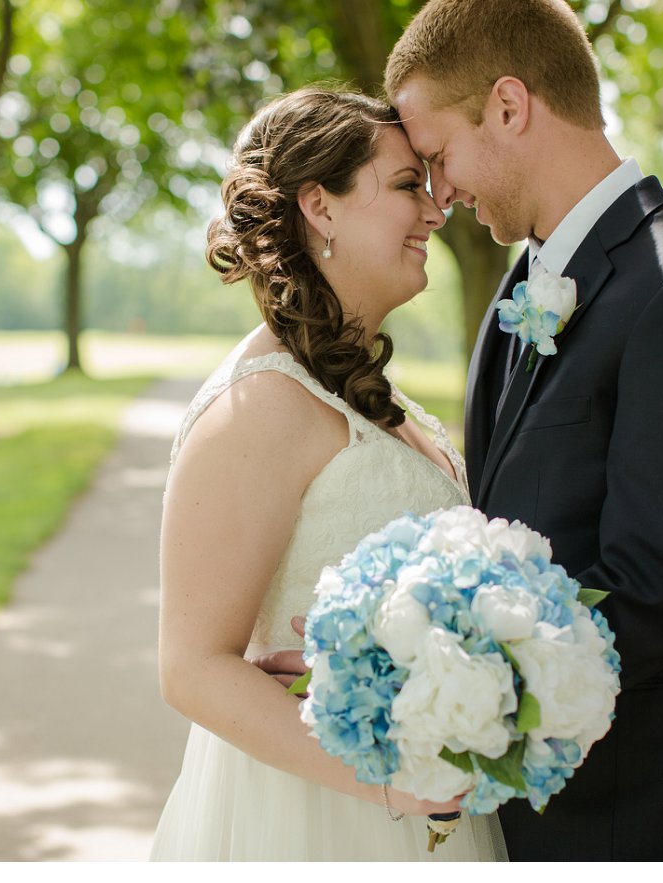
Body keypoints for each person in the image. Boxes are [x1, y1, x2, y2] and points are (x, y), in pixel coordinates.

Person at [265, 0, 663, 859]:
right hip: (536, 821)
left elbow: (655, 597)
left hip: (661, 817)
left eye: (438, 155)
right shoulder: (520, 290)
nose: (438, 198)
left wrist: (410, 682)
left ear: (510, 107)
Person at [148, 88, 502, 860]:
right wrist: (393, 778)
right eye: (409, 184)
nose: (437, 210)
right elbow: (192, 666)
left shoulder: (369, 392)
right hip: (317, 820)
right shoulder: (261, 403)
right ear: (322, 205)